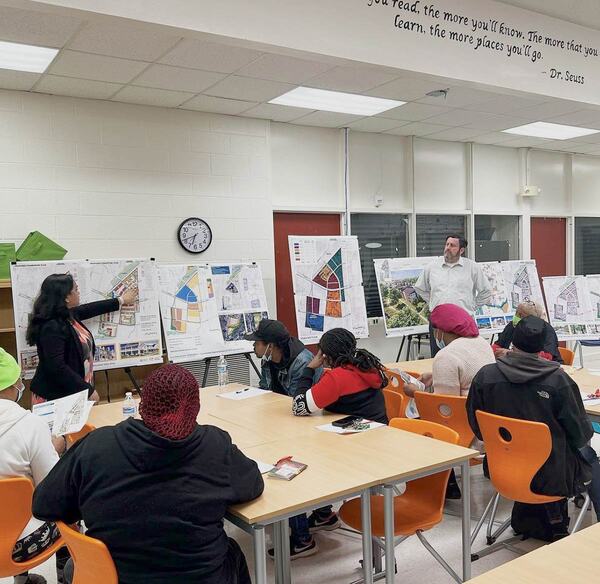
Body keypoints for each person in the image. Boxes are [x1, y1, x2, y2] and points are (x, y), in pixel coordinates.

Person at [32, 364, 264, 584]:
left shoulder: (97, 445)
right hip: (199, 578)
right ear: (194, 407)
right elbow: (253, 483)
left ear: (146, 402)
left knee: (75, 566)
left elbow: (44, 504)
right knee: (232, 551)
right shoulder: (215, 445)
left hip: (116, 577)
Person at [467, 316, 600, 540]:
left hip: (502, 469)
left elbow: (476, 423)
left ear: (512, 342)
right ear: (544, 347)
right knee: (592, 458)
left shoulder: (485, 376)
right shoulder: (558, 381)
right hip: (552, 476)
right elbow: (581, 434)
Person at [280, 329, 388, 559]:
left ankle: (302, 536)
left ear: (325, 354)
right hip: (379, 443)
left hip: (353, 454)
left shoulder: (337, 377)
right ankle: (323, 515)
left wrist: (310, 368)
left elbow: (299, 406)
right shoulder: (367, 365)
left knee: (295, 458)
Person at [0, 348, 69, 584]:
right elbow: (53, 488)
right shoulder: (29, 425)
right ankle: (69, 575)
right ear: (9, 385)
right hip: (20, 547)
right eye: (18, 379)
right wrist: (55, 448)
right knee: (69, 509)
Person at [26, 273, 137, 404]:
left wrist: (121, 300)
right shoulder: (51, 326)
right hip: (55, 396)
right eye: (76, 290)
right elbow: (56, 367)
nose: (79, 293)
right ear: (66, 297)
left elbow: (89, 309)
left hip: (72, 390)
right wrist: (87, 390)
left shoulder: (66, 315)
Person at [415, 235, 492, 357]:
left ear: (461, 250)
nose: (448, 248)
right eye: (447, 244)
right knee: (438, 357)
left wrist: (472, 306)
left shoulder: (472, 267)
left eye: (452, 245)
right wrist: (433, 303)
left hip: (462, 322)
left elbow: (486, 291)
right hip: (438, 323)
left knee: (462, 358)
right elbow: (420, 288)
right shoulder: (432, 267)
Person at [403, 303, 495, 398]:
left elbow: (444, 408)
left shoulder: (445, 356)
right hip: (489, 408)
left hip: (466, 411)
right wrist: (436, 377)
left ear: (438, 331)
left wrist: (416, 393)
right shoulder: (482, 343)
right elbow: (469, 376)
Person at [245, 318, 323, 396]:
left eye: (257, 343)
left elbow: (295, 400)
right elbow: (264, 389)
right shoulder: (267, 358)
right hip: (277, 404)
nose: (253, 345)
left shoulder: (301, 362)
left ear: (270, 346)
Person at [492, 300, 563, 363]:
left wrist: (510, 354)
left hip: (542, 368)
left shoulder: (546, 330)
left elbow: (546, 357)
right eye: (516, 313)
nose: (516, 317)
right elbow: (497, 345)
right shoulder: (513, 325)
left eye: (521, 315)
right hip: (513, 364)